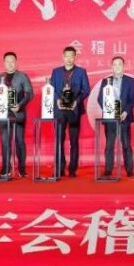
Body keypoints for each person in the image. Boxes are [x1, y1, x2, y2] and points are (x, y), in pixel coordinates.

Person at [0, 52, 31, 179]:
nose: (10, 64)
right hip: (3, 114)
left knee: (19, 141)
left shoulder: (22, 76)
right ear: (3, 63)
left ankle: (22, 168)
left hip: (18, 113)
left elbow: (29, 93)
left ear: (16, 62)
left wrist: (20, 105)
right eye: (7, 61)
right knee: (5, 141)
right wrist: (1, 106)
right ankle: (6, 168)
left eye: (12, 61)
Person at [95, 56, 134, 177]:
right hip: (110, 119)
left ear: (123, 66)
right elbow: (100, 98)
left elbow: (133, 98)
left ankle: (129, 170)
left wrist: (126, 112)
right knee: (109, 145)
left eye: (119, 64)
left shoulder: (130, 81)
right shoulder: (105, 81)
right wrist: (108, 111)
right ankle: (108, 169)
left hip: (124, 117)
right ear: (111, 67)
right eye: (115, 64)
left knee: (126, 145)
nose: (117, 67)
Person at [51, 46, 89, 178]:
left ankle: (72, 169)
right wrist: (57, 100)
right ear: (63, 56)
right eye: (66, 56)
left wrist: (76, 101)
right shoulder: (56, 72)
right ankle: (59, 168)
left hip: (74, 110)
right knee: (59, 140)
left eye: (71, 56)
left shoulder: (81, 72)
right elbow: (52, 88)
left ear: (75, 57)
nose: (68, 58)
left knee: (74, 141)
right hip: (60, 110)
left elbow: (86, 90)